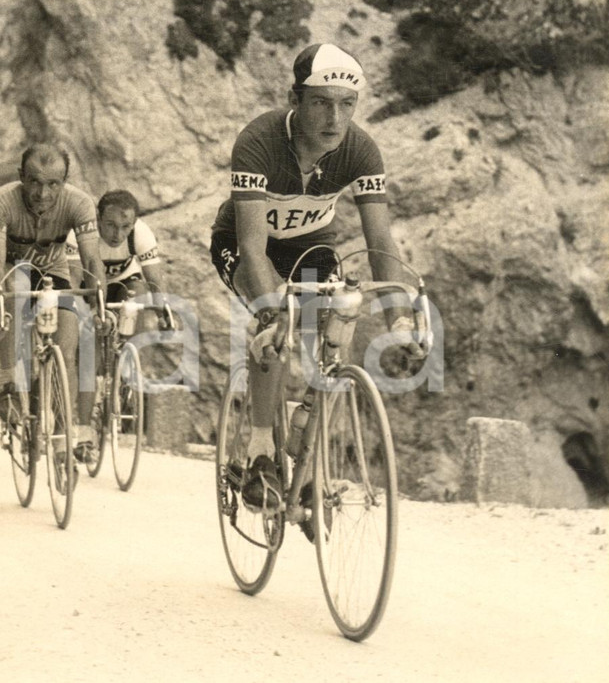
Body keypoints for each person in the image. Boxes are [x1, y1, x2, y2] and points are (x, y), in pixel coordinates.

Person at [209, 43, 420, 510]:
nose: (335, 118)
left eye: (347, 105)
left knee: (334, 326)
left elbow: (382, 243)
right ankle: (261, 451)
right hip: (246, 244)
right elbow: (251, 247)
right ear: (295, 99)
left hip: (309, 248)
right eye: (322, 102)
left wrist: (400, 321)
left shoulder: (361, 150)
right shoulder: (259, 141)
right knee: (274, 330)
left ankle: (307, 430)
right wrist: (270, 313)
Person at [0, 143, 106, 460]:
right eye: (34, 181)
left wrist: (99, 302)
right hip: (12, 272)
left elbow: (92, 260)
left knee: (67, 346)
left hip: (53, 271)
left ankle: (64, 436)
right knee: (10, 300)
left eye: (54, 183)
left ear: (65, 181)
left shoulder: (79, 203)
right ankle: (9, 382)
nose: (43, 192)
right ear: (21, 176)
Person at [66, 189, 174, 456]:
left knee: (136, 299)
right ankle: (85, 434)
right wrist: (89, 312)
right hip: (88, 287)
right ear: (98, 218)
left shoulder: (142, 234)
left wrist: (163, 312)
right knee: (89, 354)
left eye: (126, 227)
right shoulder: (79, 232)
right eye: (111, 225)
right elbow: (73, 279)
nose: (118, 234)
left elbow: (154, 279)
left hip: (125, 283)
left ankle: (125, 364)